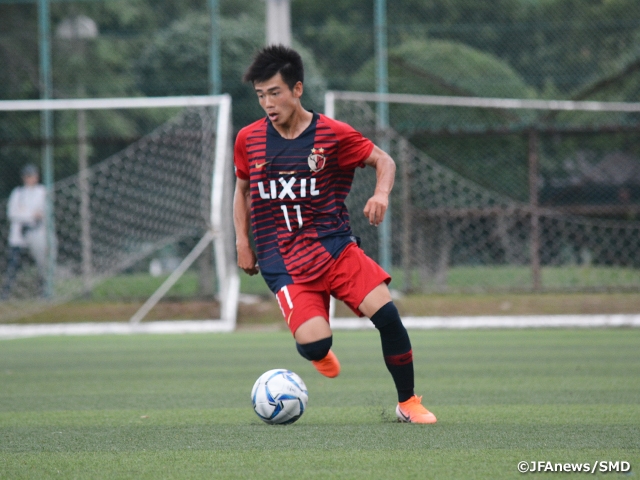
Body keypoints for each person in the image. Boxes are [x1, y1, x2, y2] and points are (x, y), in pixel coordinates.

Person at [233, 45, 436, 424]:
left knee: (389, 317)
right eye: (260, 96)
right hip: (282, 259)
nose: (267, 103)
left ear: (297, 89)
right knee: (314, 343)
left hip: (335, 248)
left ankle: (408, 403)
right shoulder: (249, 139)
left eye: (274, 93)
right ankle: (319, 349)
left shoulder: (331, 134)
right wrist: (243, 243)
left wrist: (380, 193)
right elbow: (242, 190)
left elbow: (383, 160)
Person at [2, 164, 48, 299]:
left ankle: (43, 292)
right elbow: (12, 213)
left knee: (41, 263)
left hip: (36, 233)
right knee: (13, 264)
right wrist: (31, 215)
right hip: (18, 234)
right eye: (28, 176)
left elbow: (42, 213)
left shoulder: (41, 191)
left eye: (33, 175)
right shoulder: (18, 193)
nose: (31, 179)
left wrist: (25, 213)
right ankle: (6, 293)